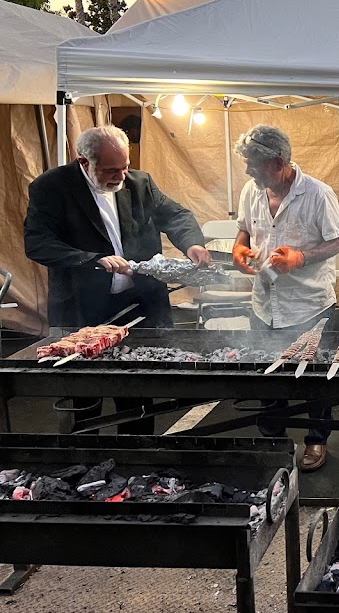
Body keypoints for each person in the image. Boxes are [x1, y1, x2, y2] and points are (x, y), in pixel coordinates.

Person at [24, 125, 211, 433]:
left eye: (124, 167)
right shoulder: (51, 187)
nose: (121, 176)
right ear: (85, 162)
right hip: (83, 308)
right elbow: (38, 242)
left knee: (137, 395)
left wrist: (192, 243)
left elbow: (176, 215)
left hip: (135, 305)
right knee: (84, 398)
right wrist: (91, 259)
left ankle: (138, 462)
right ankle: (85, 462)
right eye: (111, 170)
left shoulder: (139, 182)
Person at [232, 124, 339, 472]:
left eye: (252, 163)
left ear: (277, 162)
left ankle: (316, 440)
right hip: (264, 303)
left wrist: (301, 257)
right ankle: (274, 441)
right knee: (268, 376)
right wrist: (239, 246)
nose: (247, 169)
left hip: (309, 304)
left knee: (316, 379)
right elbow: (245, 227)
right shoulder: (252, 191)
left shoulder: (317, 193)